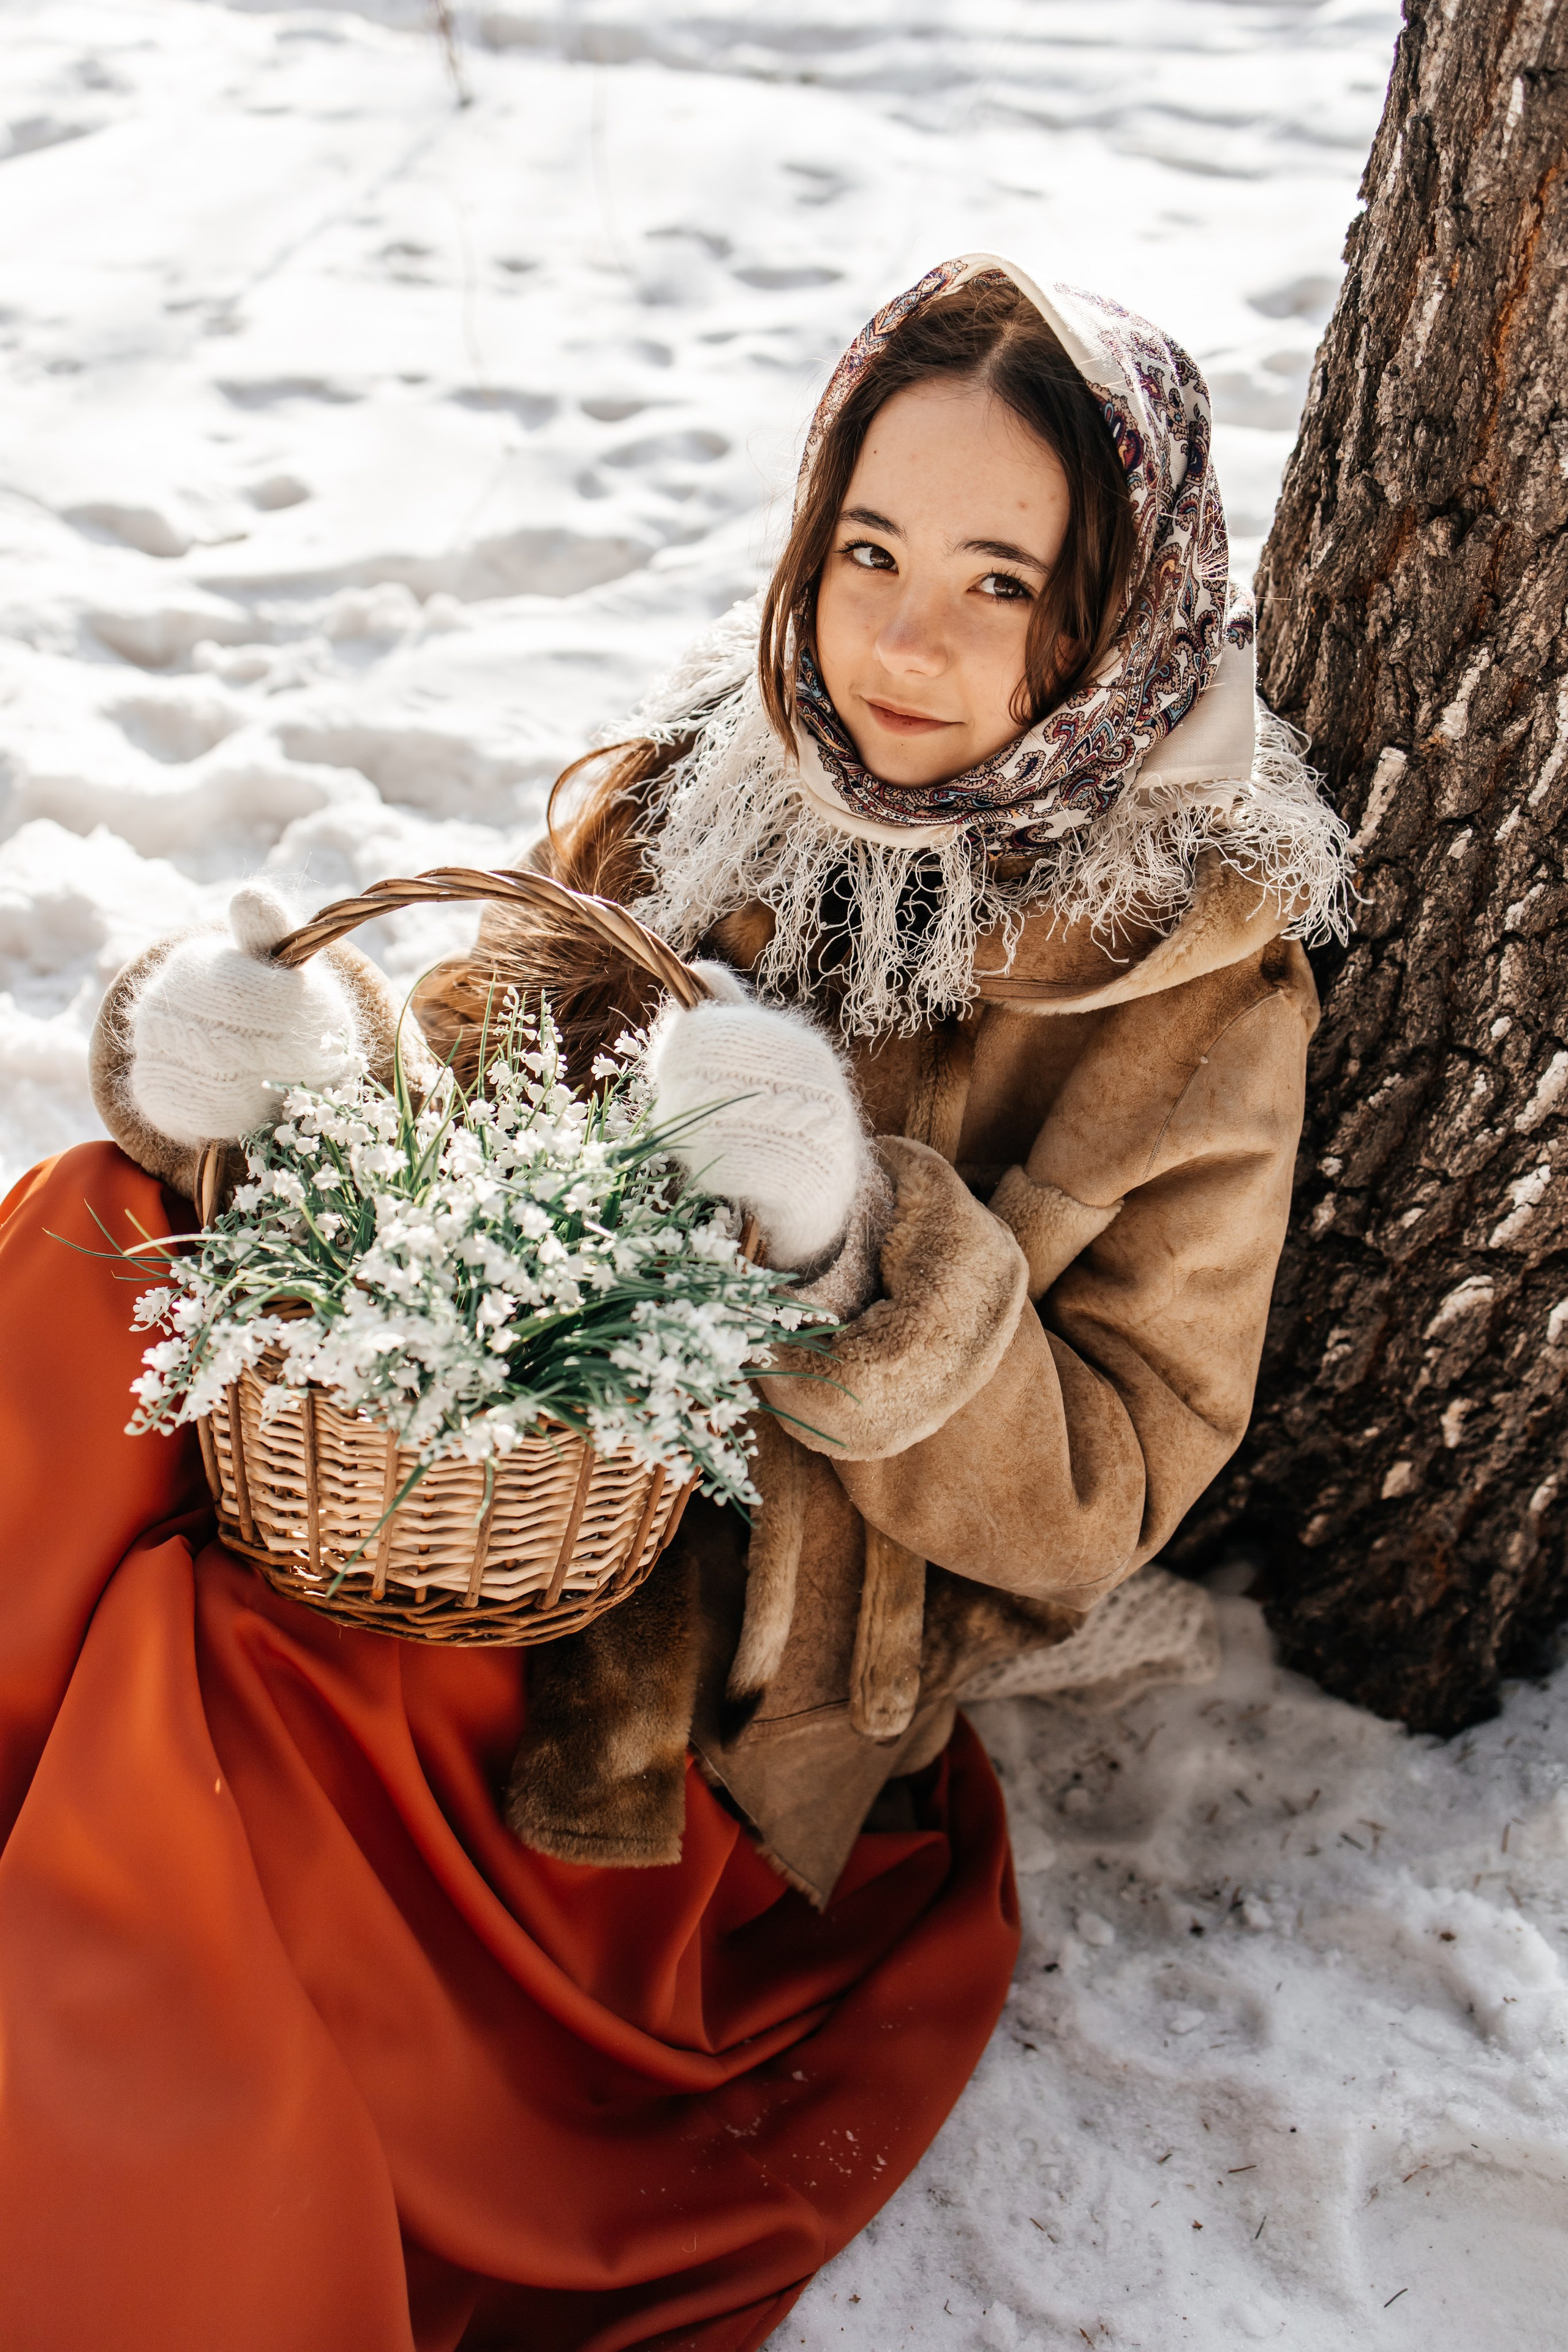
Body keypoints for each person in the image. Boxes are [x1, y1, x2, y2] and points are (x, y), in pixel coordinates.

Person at [0, 257, 1348, 2351]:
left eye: (1003, 583)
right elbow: (475, 1075)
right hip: (481, 1486)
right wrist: (274, 1091)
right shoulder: (701, 797)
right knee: (89, 1245)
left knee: (219, 1702)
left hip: (699, 1698)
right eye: (871, 549)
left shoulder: (1188, 986)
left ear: (1119, 619)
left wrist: (851, 1249)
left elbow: (1103, 1492)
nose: (903, 638)